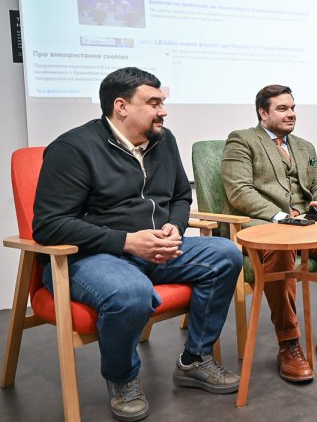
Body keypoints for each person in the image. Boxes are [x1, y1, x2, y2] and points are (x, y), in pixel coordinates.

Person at [32, 67, 243, 422]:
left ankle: (194, 359)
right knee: (131, 292)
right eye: (154, 103)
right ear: (121, 106)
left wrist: (175, 228)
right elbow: (49, 226)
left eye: (162, 102)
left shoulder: (164, 140)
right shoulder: (73, 149)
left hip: (157, 248)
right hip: (93, 257)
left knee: (225, 254)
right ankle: (123, 378)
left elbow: (180, 196)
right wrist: (127, 241)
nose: (163, 111)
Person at [221, 84, 317, 383]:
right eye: (282, 109)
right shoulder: (241, 140)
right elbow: (239, 191)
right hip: (264, 226)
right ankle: (289, 344)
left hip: (304, 224)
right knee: (280, 249)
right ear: (263, 113)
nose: (291, 114)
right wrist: (280, 217)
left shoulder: (304, 146)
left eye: (292, 108)